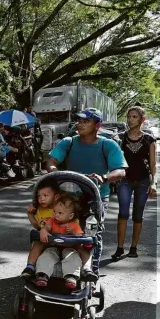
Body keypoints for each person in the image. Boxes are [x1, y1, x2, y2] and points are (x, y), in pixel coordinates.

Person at [46, 108, 128, 275]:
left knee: (91, 234)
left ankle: (91, 271)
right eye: (79, 121)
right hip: (68, 196)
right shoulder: (68, 142)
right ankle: (52, 269)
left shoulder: (108, 145)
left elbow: (120, 171)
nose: (80, 124)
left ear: (97, 125)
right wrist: (53, 169)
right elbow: (52, 161)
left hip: (96, 197)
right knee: (56, 228)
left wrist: (103, 177)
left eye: (86, 121)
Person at [113, 106, 157, 260]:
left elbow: (153, 164)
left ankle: (133, 247)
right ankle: (119, 248)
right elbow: (115, 160)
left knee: (138, 215)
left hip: (143, 181)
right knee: (123, 213)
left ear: (142, 120)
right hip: (125, 180)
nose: (130, 120)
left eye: (134, 117)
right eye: (129, 117)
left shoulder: (149, 139)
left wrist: (154, 183)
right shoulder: (121, 137)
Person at [35, 192, 87, 289]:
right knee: (47, 254)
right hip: (53, 246)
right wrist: (43, 230)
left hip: (69, 248)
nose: (55, 215)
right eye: (54, 211)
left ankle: (71, 277)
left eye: (60, 213)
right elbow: (46, 227)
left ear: (70, 216)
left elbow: (80, 237)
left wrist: (73, 233)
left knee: (73, 257)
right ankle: (42, 274)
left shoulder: (74, 225)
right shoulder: (52, 220)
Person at [22, 179, 60, 279]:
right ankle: (30, 267)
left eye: (45, 196)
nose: (41, 199)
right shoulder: (40, 211)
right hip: (45, 239)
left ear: (56, 197)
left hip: (62, 237)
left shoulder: (61, 208)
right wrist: (30, 214)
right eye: (39, 196)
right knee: (37, 244)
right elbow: (37, 225)